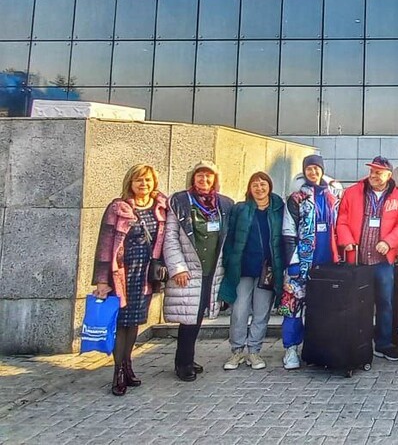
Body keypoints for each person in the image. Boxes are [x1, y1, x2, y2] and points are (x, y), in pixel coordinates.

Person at [92, 164, 168, 396]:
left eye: (147, 180)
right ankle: (118, 371)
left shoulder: (161, 208)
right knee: (120, 323)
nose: (143, 184)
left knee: (134, 321)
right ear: (130, 183)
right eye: (139, 180)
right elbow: (105, 245)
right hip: (122, 273)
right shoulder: (118, 208)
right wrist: (102, 281)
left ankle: (128, 364)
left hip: (145, 275)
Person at [164, 161, 235, 382]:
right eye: (200, 176)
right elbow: (170, 237)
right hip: (189, 270)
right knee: (188, 318)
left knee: (198, 316)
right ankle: (183, 363)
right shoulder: (180, 201)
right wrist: (177, 268)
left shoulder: (224, 204)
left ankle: (188, 357)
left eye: (208, 176)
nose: (204, 180)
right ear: (193, 178)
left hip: (211, 270)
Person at [336, 156, 398, 362]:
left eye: (378, 172)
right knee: (357, 303)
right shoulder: (352, 192)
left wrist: (389, 241)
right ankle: (357, 343)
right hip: (357, 260)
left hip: (383, 262)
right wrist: (347, 240)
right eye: (372, 171)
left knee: (385, 303)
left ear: (389, 175)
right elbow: (342, 219)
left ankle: (383, 344)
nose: (373, 175)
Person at [279, 154, 341, 370]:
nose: (313, 172)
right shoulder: (296, 197)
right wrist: (292, 262)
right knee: (293, 307)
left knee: (325, 308)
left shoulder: (334, 194)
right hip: (302, 262)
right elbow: (288, 231)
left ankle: (320, 348)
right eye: (309, 169)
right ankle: (290, 349)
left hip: (329, 262)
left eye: (316, 168)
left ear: (322, 170)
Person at [219, 172, 284, 371]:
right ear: (249, 188)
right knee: (239, 311)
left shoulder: (278, 209)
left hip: (268, 270)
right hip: (243, 269)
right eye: (255, 185)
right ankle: (237, 351)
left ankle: (254, 351)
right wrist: (229, 261)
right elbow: (229, 238)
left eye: (263, 184)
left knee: (261, 312)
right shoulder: (241, 209)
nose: (259, 188)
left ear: (269, 186)